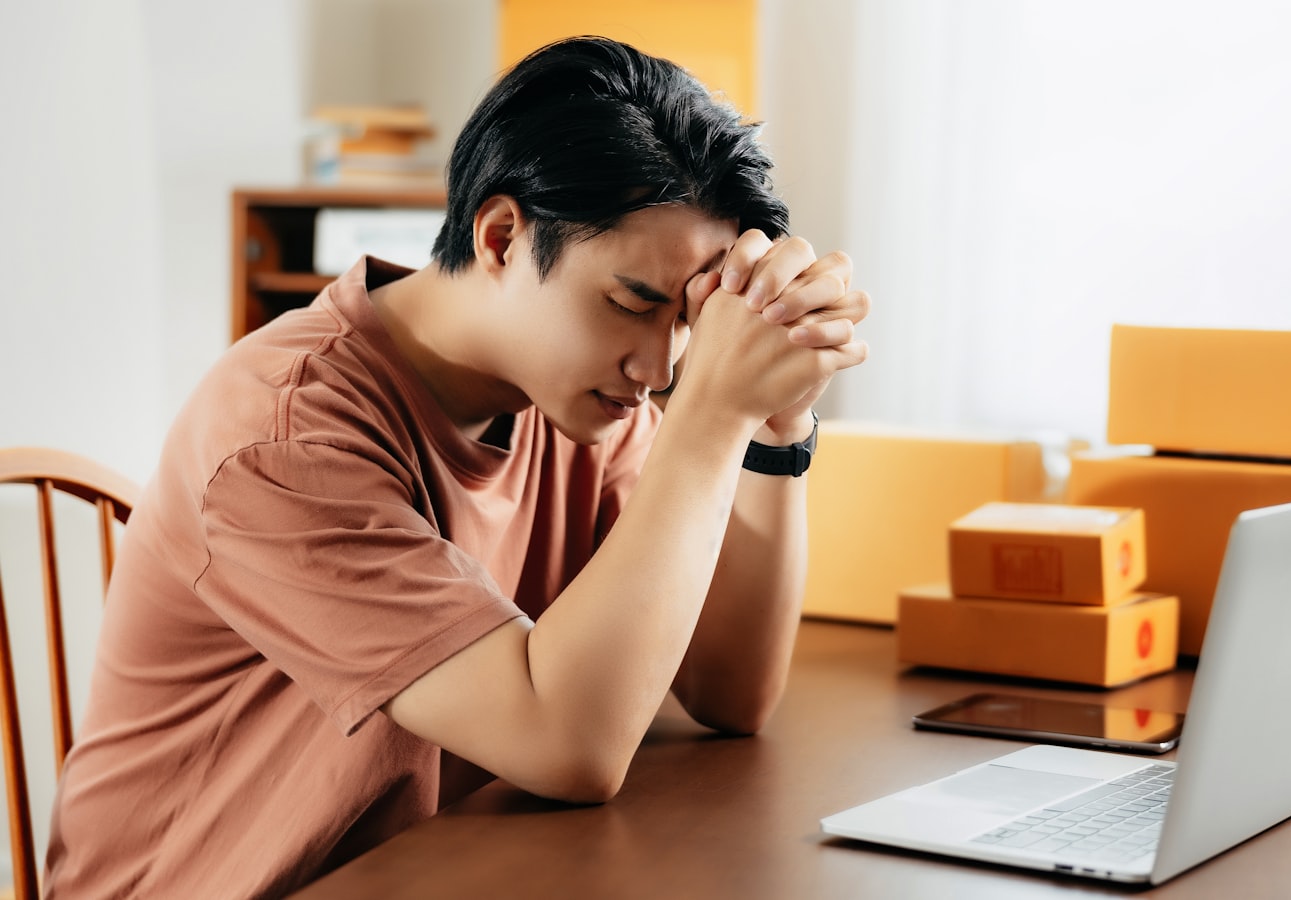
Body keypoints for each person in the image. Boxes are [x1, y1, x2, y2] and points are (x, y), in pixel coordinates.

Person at [45, 36, 868, 898]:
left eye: (692, 317)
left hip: (436, 869)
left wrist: (777, 427)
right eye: (633, 302)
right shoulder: (284, 440)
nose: (662, 367)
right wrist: (710, 419)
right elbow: (569, 746)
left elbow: (729, 691)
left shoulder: (574, 400)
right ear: (503, 236)